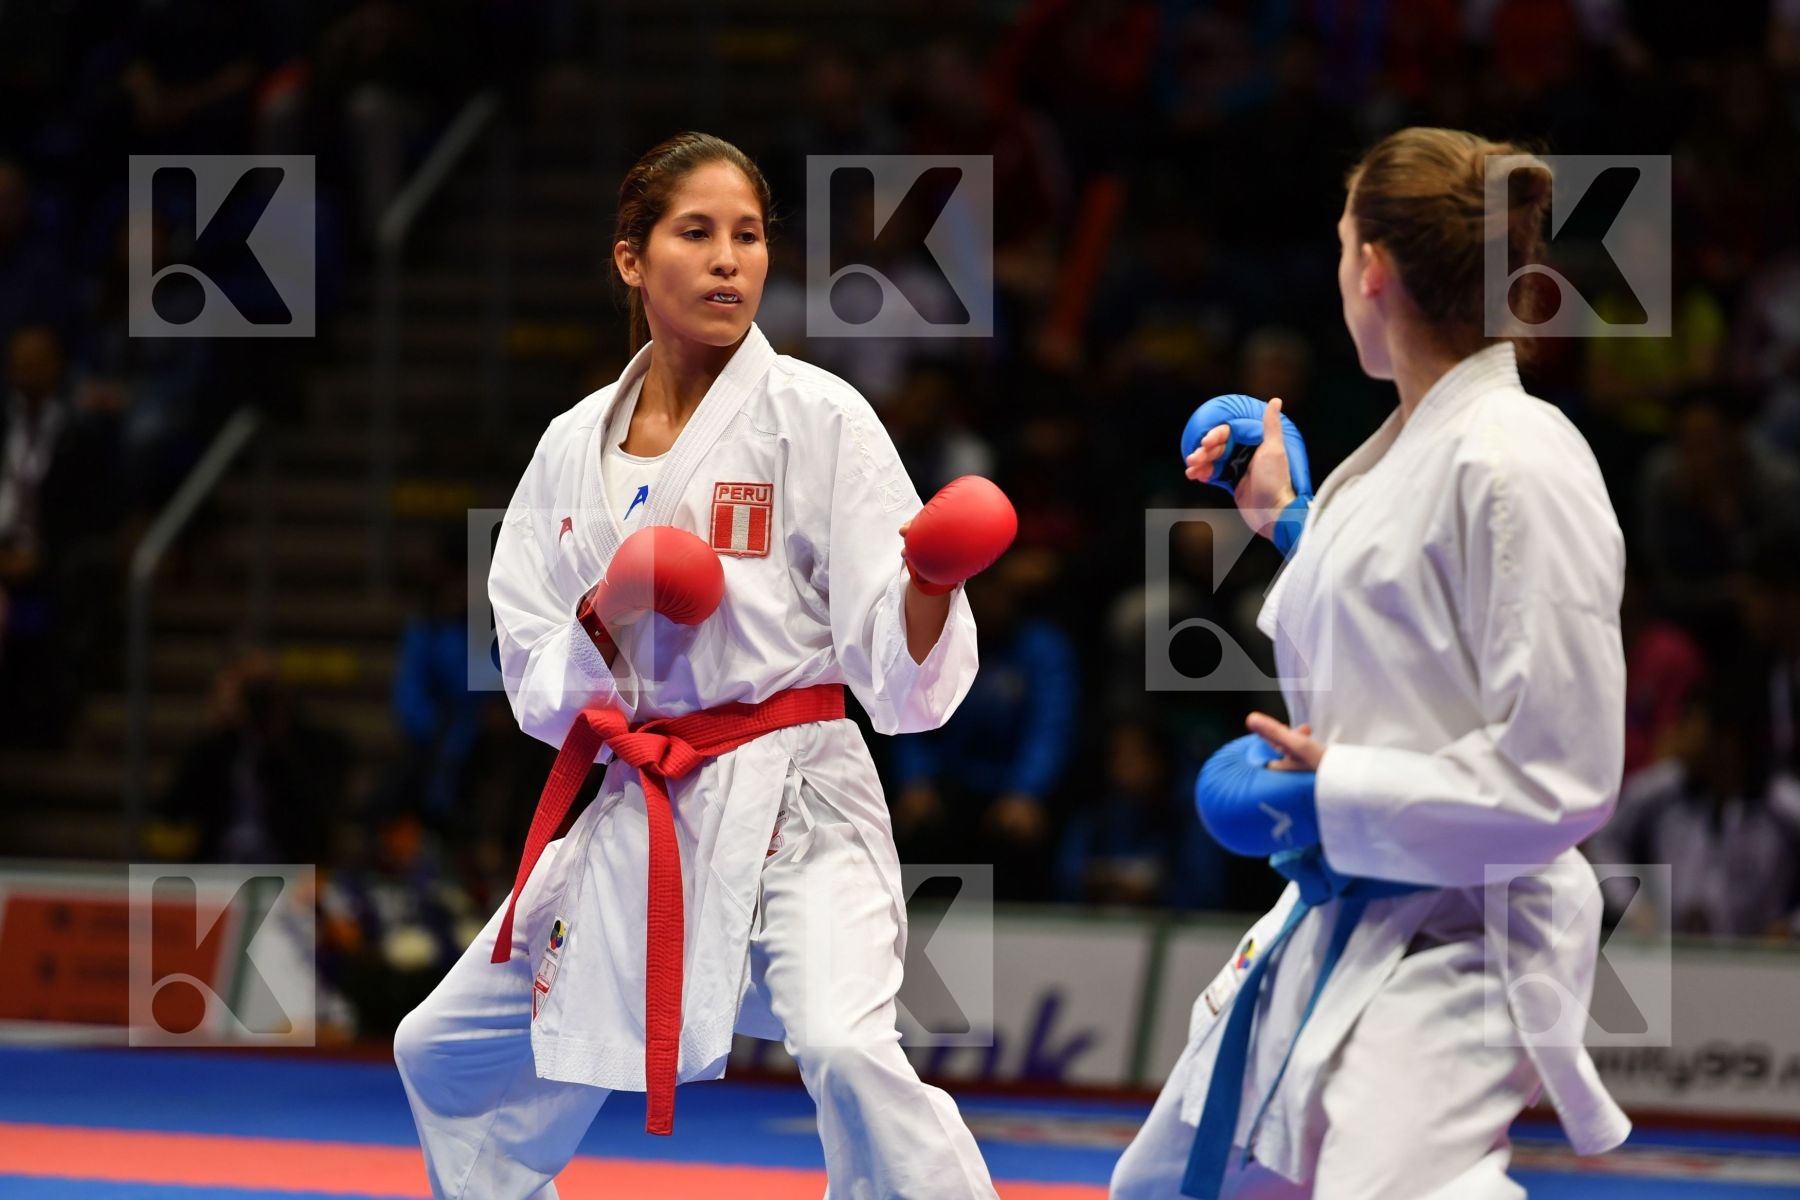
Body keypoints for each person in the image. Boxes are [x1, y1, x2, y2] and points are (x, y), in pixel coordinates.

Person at [393, 132, 1009, 1200]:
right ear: (632, 258)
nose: (730, 259)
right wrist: (610, 606)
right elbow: (530, 671)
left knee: (847, 1049)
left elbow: (905, 690)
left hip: (797, 802)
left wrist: (929, 584)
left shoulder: (818, 417)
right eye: (697, 233)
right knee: (441, 1052)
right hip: (643, 805)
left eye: (750, 236)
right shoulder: (571, 445)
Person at [1111, 128, 1633, 1198]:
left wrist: (1331, 791)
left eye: (1344, 243)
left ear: (1374, 269)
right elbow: (1406, 628)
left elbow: (1565, 774)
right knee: (1161, 1188)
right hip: (1341, 911)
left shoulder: (1521, 463)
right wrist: (1290, 517)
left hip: (1461, 937)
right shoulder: (1413, 446)